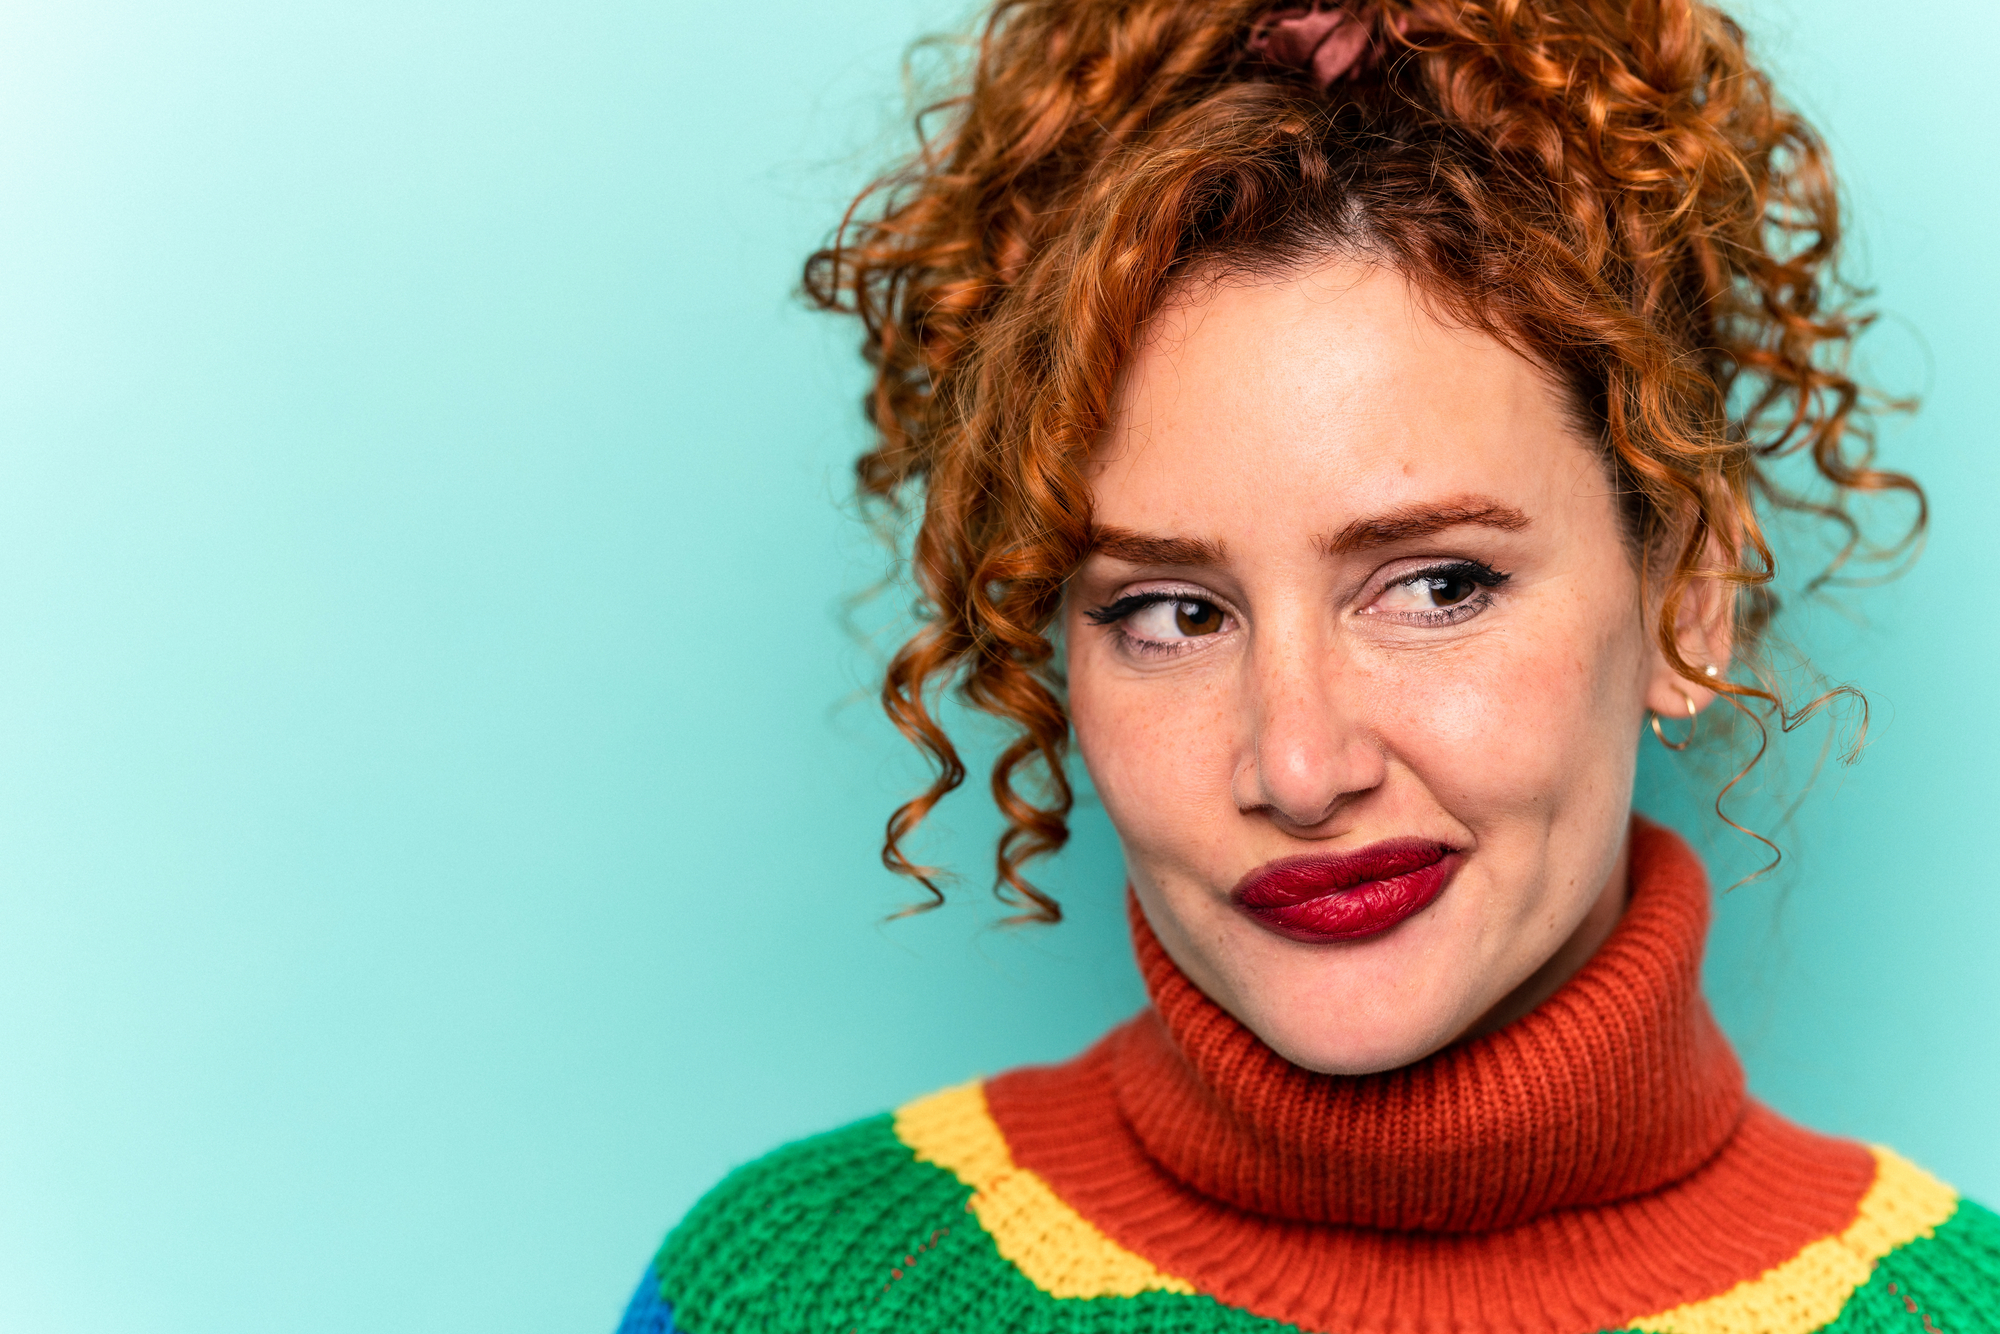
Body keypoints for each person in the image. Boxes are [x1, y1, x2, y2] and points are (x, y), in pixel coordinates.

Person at [619, 0, 1996, 1330]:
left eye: (1438, 584)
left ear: (1691, 594)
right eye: (1171, 612)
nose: (1298, 765)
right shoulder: (786, 1295)